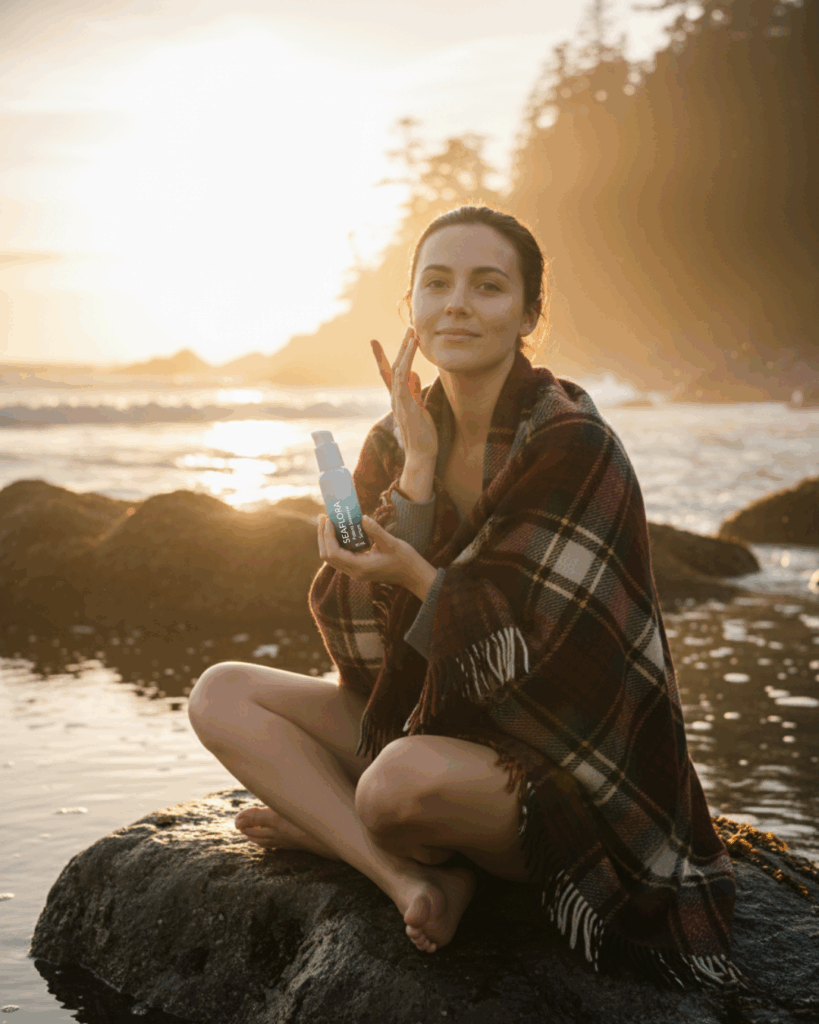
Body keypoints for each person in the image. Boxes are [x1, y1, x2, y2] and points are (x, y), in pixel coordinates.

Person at [188, 205, 741, 988]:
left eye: (487, 286)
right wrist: (413, 474)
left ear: (527, 314)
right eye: (437, 283)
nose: (457, 304)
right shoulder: (396, 436)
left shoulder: (573, 444)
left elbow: (551, 665)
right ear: (410, 305)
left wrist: (413, 573)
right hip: (432, 726)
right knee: (222, 694)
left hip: (559, 766)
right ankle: (409, 878)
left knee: (394, 785)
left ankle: (342, 832)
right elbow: (367, 650)